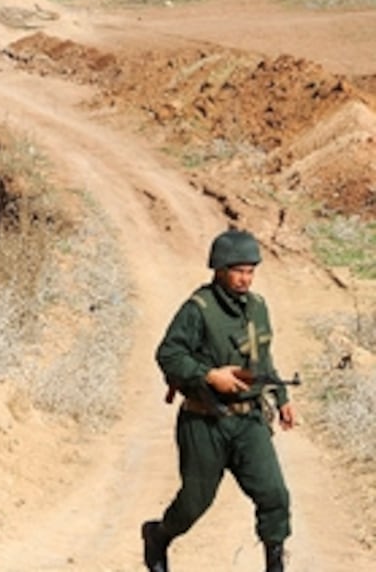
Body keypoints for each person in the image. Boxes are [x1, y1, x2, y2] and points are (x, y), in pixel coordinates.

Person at [142, 229, 296, 572]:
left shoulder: (257, 307)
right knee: (194, 503)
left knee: (274, 495)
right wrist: (210, 376)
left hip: (249, 421)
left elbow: (263, 359)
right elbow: (168, 354)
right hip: (204, 421)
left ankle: (275, 565)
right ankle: (158, 536)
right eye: (238, 270)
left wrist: (281, 397)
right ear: (219, 269)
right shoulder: (198, 309)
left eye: (251, 270)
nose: (245, 278)